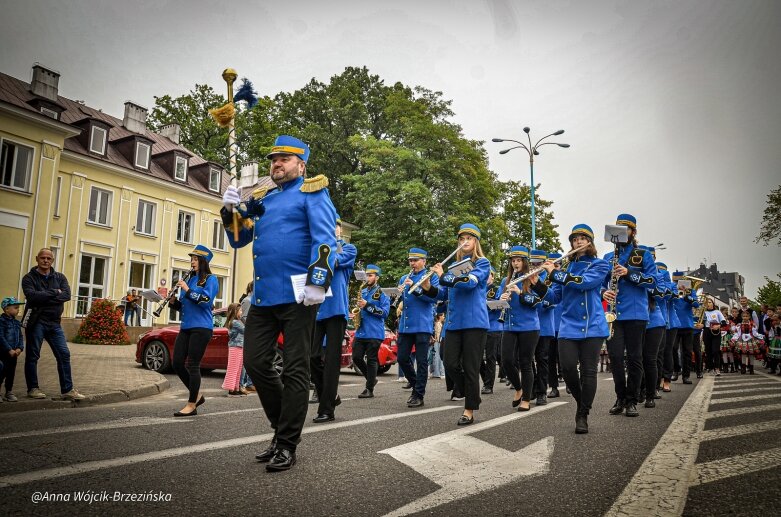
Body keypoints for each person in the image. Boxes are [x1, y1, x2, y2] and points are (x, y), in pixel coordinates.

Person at [222, 134, 337, 472]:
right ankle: (280, 428)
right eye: (273, 159)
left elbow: (325, 240)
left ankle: (287, 443)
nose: (276, 164)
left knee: (295, 368)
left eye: (284, 159)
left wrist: (318, 284)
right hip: (264, 296)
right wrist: (230, 211)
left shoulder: (312, 193)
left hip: (300, 296)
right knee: (256, 363)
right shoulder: (264, 198)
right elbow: (240, 239)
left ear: (301, 165)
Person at [538, 224, 611, 434]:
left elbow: (584, 283)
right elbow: (554, 297)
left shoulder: (600, 265)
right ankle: (582, 403)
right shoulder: (566, 268)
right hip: (569, 325)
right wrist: (536, 283)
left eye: (582, 238)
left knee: (588, 371)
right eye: (574, 239)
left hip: (593, 326)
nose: (577, 242)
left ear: (590, 242)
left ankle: (583, 414)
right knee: (568, 368)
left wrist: (555, 274)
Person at [420, 223, 490, 426]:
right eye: (461, 239)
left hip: (474, 322)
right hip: (454, 323)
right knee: (449, 362)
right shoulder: (453, 268)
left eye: (468, 238)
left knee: (470, 366)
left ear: (475, 242)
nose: (464, 242)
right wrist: (427, 287)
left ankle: (469, 409)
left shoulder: (482, 263)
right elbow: (443, 294)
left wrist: (443, 276)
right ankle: (472, 394)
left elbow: (470, 283)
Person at [602, 214, 657, 418]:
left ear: (633, 232)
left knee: (635, 358)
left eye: (626, 229)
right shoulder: (608, 258)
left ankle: (632, 399)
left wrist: (629, 273)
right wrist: (603, 292)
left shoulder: (642, 255)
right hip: (614, 314)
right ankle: (620, 397)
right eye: (618, 229)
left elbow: (652, 281)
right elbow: (600, 282)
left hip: (636, 313)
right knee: (615, 357)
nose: (622, 233)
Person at [22, 248, 85, 401]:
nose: (45, 260)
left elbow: (66, 295)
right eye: (42, 257)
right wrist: (54, 292)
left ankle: (67, 390)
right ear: (37, 259)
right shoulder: (29, 278)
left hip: (55, 323)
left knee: (64, 354)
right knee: (33, 356)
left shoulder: (60, 277)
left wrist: (46, 296)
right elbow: (31, 296)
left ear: (52, 260)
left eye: (48, 258)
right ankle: (33, 389)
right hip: (36, 322)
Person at [310, 219, 357, 423]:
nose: (331, 228)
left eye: (335, 225)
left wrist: (328, 244)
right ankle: (331, 395)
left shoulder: (348, 248)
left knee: (331, 361)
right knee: (312, 357)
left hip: (337, 309)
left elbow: (334, 260)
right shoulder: (316, 248)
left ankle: (326, 408)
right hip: (317, 308)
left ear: (340, 230)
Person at [168, 245, 218, 416]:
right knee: (177, 363)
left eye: (195, 259)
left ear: (203, 261)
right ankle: (197, 395)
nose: (192, 261)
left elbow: (205, 300)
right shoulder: (189, 279)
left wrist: (187, 290)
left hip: (202, 327)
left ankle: (191, 404)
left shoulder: (211, 279)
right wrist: (173, 301)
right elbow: (184, 305)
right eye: (192, 259)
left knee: (193, 364)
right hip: (186, 326)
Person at [498, 245, 541, 413]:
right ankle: (518, 388)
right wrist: (501, 299)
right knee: (506, 360)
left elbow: (537, 302)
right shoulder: (505, 281)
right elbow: (496, 303)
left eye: (519, 261)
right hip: (509, 325)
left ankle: (526, 399)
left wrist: (520, 293)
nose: (515, 264)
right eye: (513, 261)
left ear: (525, 262)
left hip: (529, 326)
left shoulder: (532, 278)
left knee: (526, 363)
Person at [397, 248, 440, 408]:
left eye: (415, 260)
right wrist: (398, 293)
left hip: (422, 324)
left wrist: (415, 287)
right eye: (410, 260)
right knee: (401, 358)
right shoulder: (403, 278)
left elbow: (433, 298)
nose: (412, 263)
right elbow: (404, 301)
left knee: (422, 361)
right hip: (406, 325)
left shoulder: (431, 277)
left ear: (424, 261)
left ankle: (419, 394)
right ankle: (416, 385)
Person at [352, 264, 390, 398]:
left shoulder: (383, 294)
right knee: (356, 357)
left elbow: (384, 313)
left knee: (372, 359)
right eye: (367, 275)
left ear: (377, 278)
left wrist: (367, 305)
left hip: (374, 331)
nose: (367, 278)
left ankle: (369, 389)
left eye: (370, 275)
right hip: (361, 330)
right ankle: (371, 379)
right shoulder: (362, 292)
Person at [639, 245, 665, 408]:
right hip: (635, 319)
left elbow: (660, 294)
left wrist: (642, 282)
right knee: (636, 359)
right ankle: (638, 391)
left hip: (654, 321)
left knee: (650, 359)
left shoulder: (658, 275)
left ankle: (650, 393)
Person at [531, 249, 554, 406]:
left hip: (544, 325)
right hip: (529, 324)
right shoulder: (527, 278)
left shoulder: (550, 279)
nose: (535, 266)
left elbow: (553, 300)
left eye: (538, 263)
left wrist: (538, 301)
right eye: (533, 263)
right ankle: (532, 387)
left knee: (542, 359)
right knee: (526, 359)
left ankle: (541, 392)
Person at [671, 271, 701, 383]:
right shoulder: (672, 289)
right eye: (676, 281)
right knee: (673, 348)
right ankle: (676, 369)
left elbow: (697, 305)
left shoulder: (691, 291)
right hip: (675, 323)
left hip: (687, 324)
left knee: (687, 351)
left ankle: (686, 375)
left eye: (680, 281)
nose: (678, 283)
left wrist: (687, 296)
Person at [0, 296, 25, 402]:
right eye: (15, 307)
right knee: (1, 372)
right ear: (6, 309)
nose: (18, 310)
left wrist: (20, 348)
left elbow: (20, 336)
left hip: (14, 353)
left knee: (11, 373)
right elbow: (0, 337)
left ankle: (9, 392)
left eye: (18, 307)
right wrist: (9, 349)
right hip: (4, 353)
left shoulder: (16, 323)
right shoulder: (1, 321)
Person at [481, 267, 502, 394]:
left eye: (489, 275)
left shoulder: (496, 289)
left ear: (493, 277)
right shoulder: (478, 288)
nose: (486, 277)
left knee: (490, 356)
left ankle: (489, 385)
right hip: (480, 326)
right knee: (477, 358)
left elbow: (500, 304)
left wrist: (486, 303)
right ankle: (486, 379)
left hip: (493, 326)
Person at [546, 252, 563, 398]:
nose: (554, 267)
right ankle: (553, 387)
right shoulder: (545, 280)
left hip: (564, 324)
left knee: (564, 357)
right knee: (551, 358)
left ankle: (570, 383)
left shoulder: (563, 279)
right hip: (551, 325)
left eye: (556, 265)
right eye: (552, 264)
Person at [221, 303, 247, 396]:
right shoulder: (235, 322)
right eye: (240, 310)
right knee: (233, 369)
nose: (242, 312)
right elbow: (246, 330)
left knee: (238, 368)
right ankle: (231, 390)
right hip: (235, 347)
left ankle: (235, 388)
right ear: (235, 312)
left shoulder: (237, 321)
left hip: (239, 347)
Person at [700, 298, 726, 376]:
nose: (708, 304)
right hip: (707, 332)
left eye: (710, 302)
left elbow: (724, 322)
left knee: (715, 350)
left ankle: (717, 368)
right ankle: (710, 368)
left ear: (713, 303)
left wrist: (718, 326)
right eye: (706, 302)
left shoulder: (717, 312)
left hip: (716, 332)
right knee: (708, 351)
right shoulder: (703, 312)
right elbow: (701, 323)